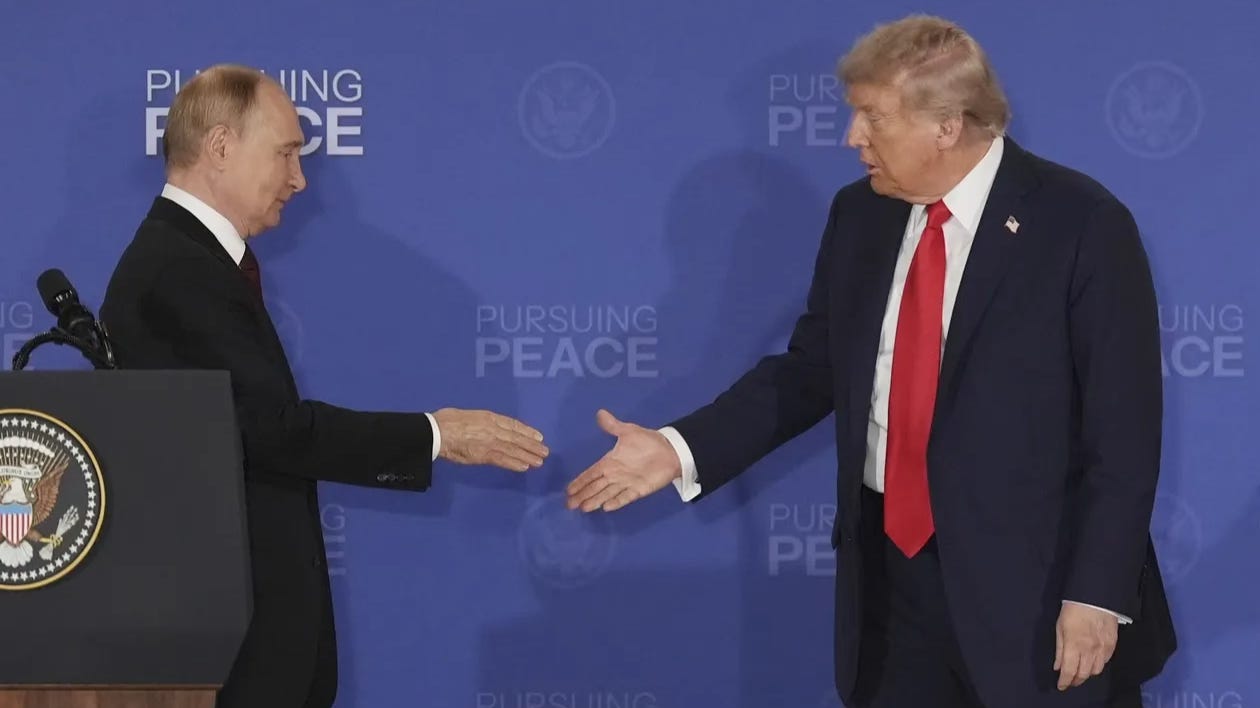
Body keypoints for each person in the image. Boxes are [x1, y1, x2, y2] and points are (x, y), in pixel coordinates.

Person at [566, 14, 1176, 708]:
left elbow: (1123, 435)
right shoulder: (861, 215)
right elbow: (811, 371)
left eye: (871, 118)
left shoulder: (1082, 223)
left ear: (946, 125)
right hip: (889, 588)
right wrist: (680, 449)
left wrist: (1095, 594)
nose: (852, 138)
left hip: (1037, 597)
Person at [99, 64, 551, 708]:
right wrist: (435, 435)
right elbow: (265, 429)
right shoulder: (179, 270)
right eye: (285, 154)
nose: (300, 180)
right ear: (222, 147)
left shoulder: (190, 261)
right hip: (226, 635)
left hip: (242, 625)